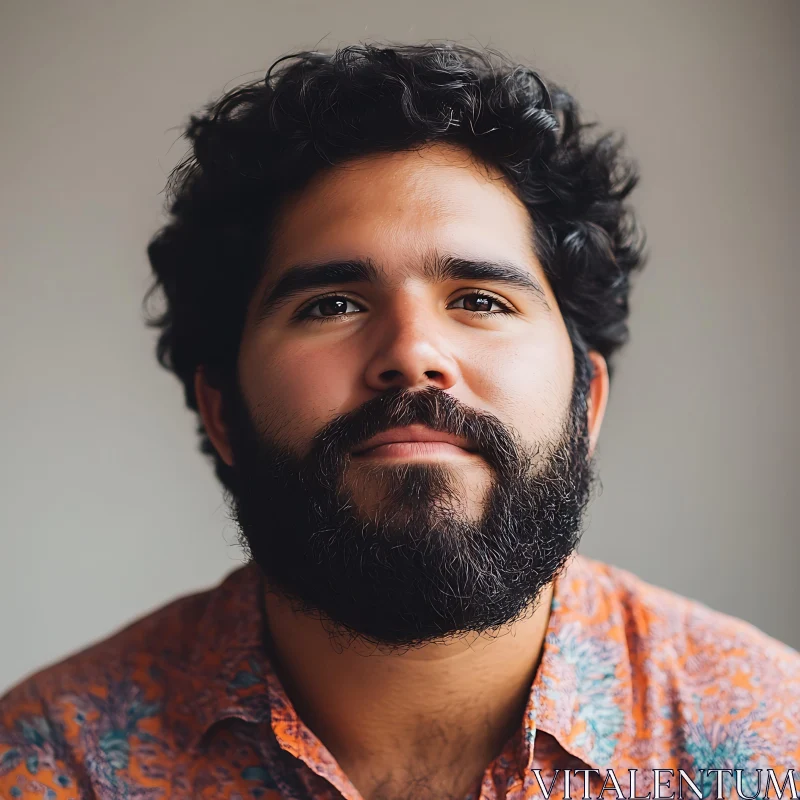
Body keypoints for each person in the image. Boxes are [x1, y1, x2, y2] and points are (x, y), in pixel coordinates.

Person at [1, 42, 798, 800]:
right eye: (333, 304)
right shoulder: (49, 764)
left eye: (481, 301)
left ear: (585, 403)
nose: (413, 354)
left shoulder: (772, 742)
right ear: (222, 410)